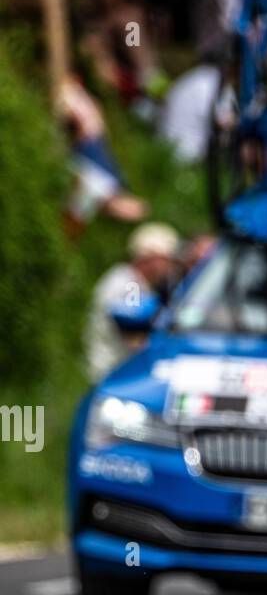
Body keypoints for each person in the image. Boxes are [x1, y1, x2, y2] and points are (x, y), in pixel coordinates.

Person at [85, 223, 182, 383]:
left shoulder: (131, 280)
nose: (169, 267)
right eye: (166, 259)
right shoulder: (131, 285)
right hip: (112, 368)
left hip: (114, 367)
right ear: (151, 259)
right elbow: (133, 330)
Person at [58, 75, 149, 235]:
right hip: (89, 143)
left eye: (126, 213)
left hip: (81, 147)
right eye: (129, 208)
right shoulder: (111, 186)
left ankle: (72, 91)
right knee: (92, 124)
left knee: (90, 124)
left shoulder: (92, 199)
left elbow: (72, 221)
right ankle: (73, 89)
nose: (124, 211)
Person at [158, 54, 222, 163]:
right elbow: (223, 120)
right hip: (187, 154)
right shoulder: (209, 83)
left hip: (164, 146)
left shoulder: (195, 77)